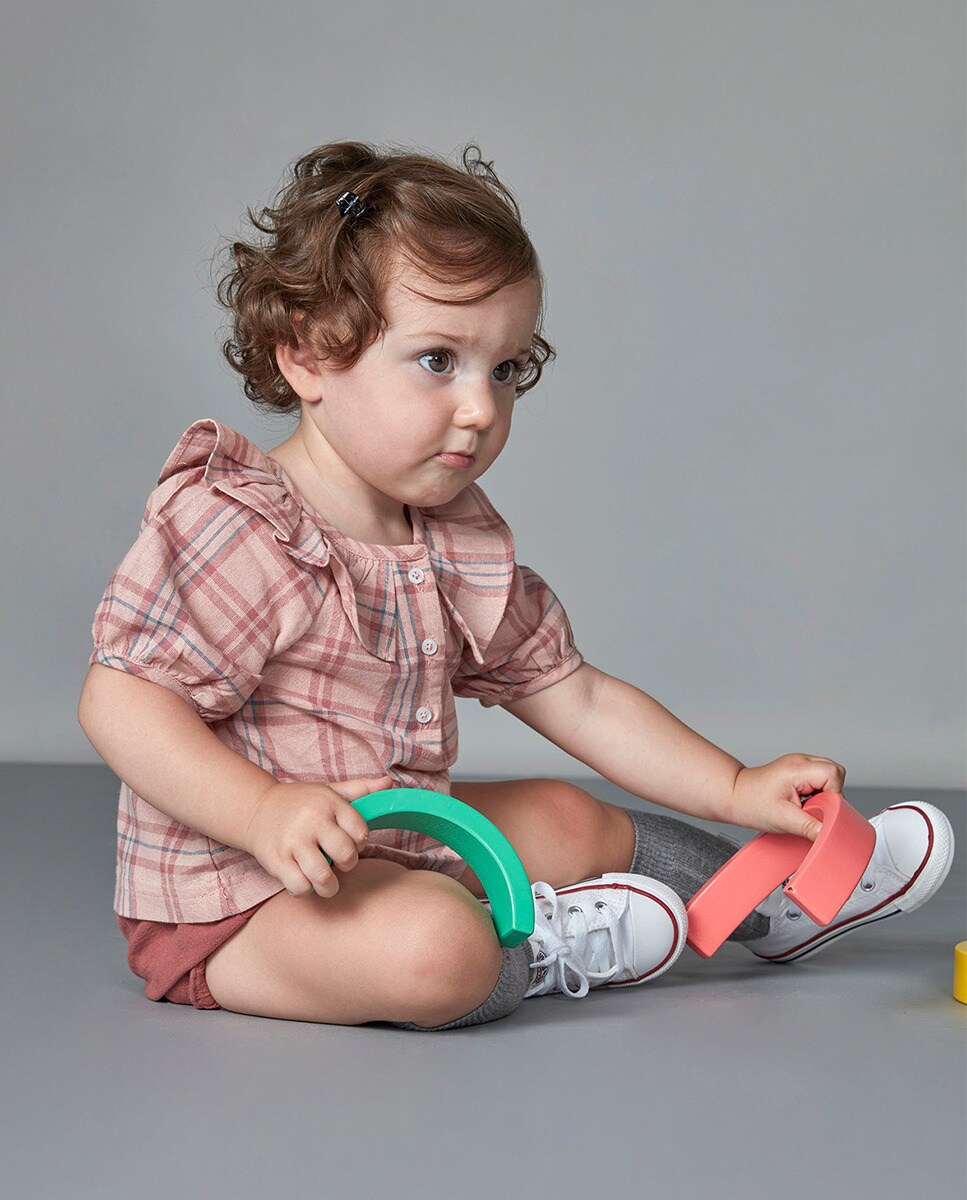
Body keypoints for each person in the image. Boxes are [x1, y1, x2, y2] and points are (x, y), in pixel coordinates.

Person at [77, 141, 955, 1030]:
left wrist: (735, 785)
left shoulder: (445, 535)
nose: (480, 409)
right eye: (437, 361)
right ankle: (530, 952)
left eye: (503, 370)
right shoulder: (243, 527)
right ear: (307, 355)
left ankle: (777, 907)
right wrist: (261, 812)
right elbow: (122, 702)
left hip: (392, 834)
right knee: (433, 948)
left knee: (568, 817)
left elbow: (578, 698)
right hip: (243, 896)